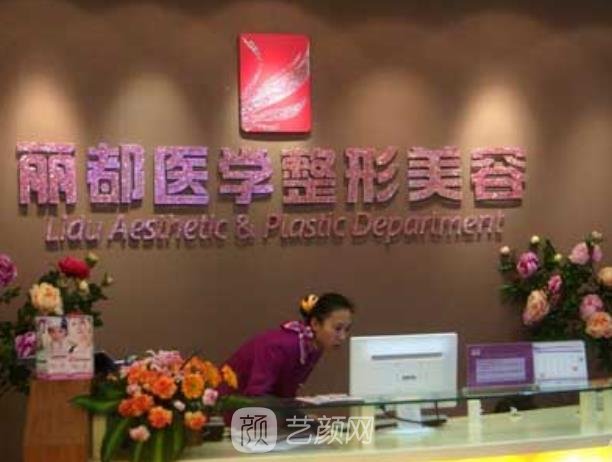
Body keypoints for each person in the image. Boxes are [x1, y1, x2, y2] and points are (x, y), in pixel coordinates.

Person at [222, 292, 354, 399]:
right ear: (315, 324)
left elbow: (285, 394)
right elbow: (257, 395)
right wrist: (294, 418)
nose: (342, 337)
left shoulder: (313, 348)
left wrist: (298, 418)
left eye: (347, 329)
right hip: (228, 409)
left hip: (259, 411)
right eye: (337, 329)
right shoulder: (281, 346)